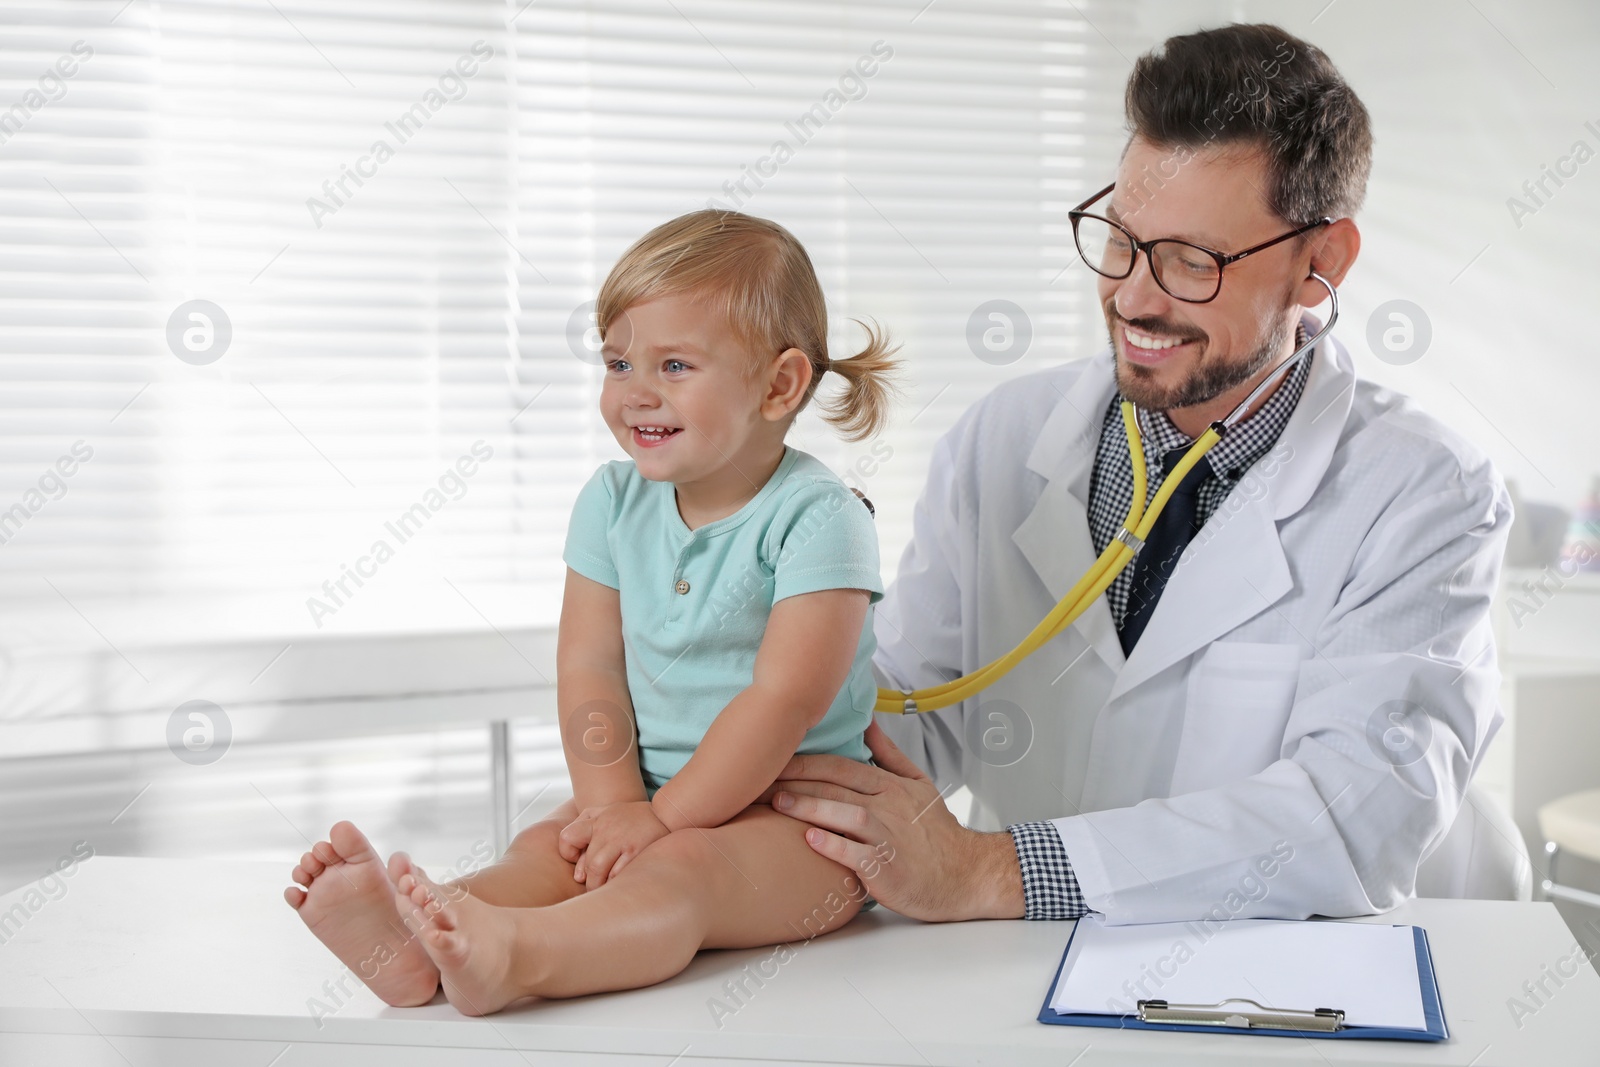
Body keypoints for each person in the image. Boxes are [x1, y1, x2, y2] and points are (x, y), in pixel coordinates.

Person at [761, 23, 1513, 925]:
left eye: (1192, 261)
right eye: (1120, 240)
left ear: (1322, 264)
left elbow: (1354, 816)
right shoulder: (1002, 438)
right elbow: (917, 709)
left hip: (1306, 976)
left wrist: (990, 872)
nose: (1133, 296)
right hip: (1022, 971)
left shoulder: (1425, 488)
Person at [286, 209, 902, 1013]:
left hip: (799, 825)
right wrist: (614, 804)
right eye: (617, 361)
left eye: (674, 364)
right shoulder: (611, 503)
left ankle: (521, 956)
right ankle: (420, 931)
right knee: (552, 848)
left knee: (683, 875)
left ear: (780, 384)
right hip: (645, 793)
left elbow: (783, 700)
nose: (634, 391)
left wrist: (665, 819)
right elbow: (589, 666)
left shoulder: (820, 520)